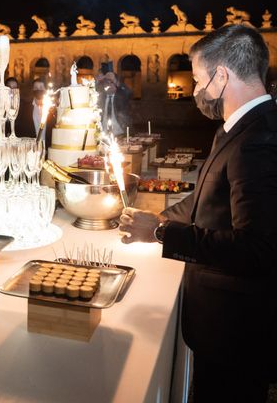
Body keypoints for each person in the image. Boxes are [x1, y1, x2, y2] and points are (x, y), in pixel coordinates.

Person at [118, 25, 277, 402]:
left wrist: (161, 235)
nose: (195, 90)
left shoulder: (258, 140)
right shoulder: (238, 128)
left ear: (222, 76)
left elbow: (257, 249)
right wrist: (156, 218)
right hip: (223, 327)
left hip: (236, 332)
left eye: (198, 79)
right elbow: (208, 197)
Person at [14, 80, 56, 146]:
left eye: (41, 88)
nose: (38, 90)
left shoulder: (52, 109)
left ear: (45, 90)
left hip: (49, 148)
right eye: (36, 88)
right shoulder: (25, 108)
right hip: (31, 149)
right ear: (32, 90)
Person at [96, 66, 132, 137]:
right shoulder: (100, 97)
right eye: (106, 82)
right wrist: (97, 81)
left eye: (111, 82)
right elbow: (89, 92)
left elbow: (129, 92)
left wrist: (117, 82)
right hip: (103, 134)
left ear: (115, 84)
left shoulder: (121, 96)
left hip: (120, 133)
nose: (108, 85)